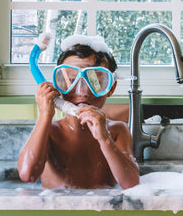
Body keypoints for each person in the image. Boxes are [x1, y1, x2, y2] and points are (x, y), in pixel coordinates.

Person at [17, 34, 139, 190]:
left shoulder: (117, 131)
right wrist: (45, 115)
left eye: (94, 81)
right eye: (71, 80)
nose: (82, 92)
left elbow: (132, 184)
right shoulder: (50, 132)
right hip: (58, 208)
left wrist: (104, 139)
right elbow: (28, 175)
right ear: (58, 84)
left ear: (111, 88)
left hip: (102, 210)